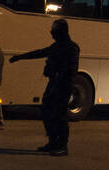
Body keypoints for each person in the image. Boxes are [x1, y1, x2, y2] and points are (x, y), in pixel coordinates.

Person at [10, 18, 79, 156]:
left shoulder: (71, 47)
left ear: (61, 32)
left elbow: (70, 69)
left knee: (60, 115)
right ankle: (53, 141)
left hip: (63, 85)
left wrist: (59, 80)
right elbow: (38, 53)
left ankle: (62, 146)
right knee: (46, 111)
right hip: (53, 83)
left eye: (54, 31)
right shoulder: (56, 46)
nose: (51, 33)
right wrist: (20, 57)